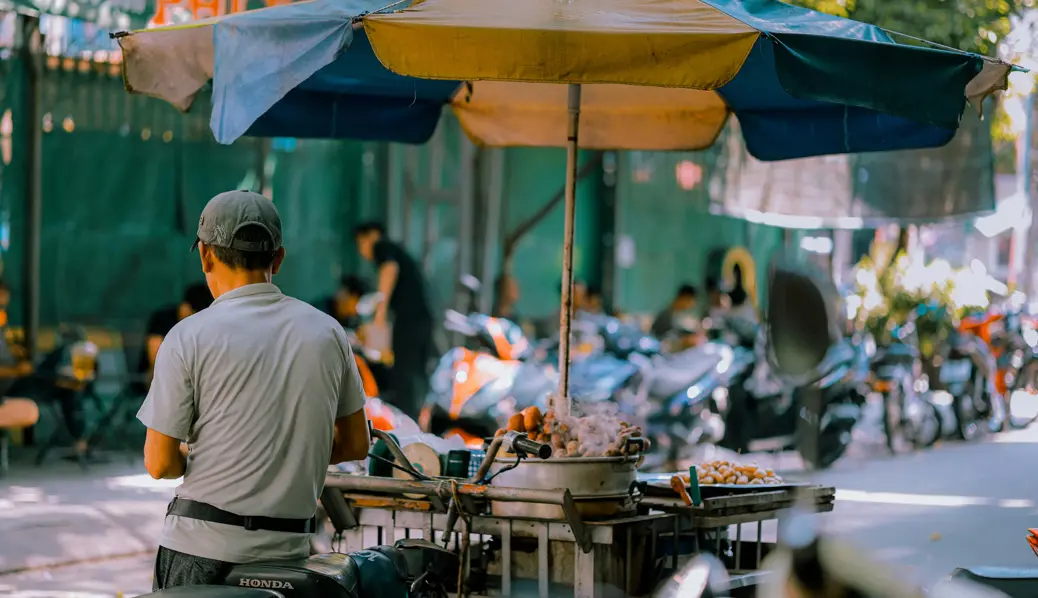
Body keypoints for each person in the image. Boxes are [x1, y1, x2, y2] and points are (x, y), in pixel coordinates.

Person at [138, 190, 370, 590]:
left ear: (206, 256)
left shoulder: (187, 337)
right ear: (278, 259)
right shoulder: (328, 332)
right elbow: (356, 444)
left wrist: (208, 456)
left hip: (201, 550)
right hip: (290, 558)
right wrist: (286, 453)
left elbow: (159, 463)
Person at [137, 283, 214, 391]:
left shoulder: (200, 325)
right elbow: (155, 356)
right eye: (194, 312)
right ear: (185, 306)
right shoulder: (164, 319)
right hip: (158, 376)